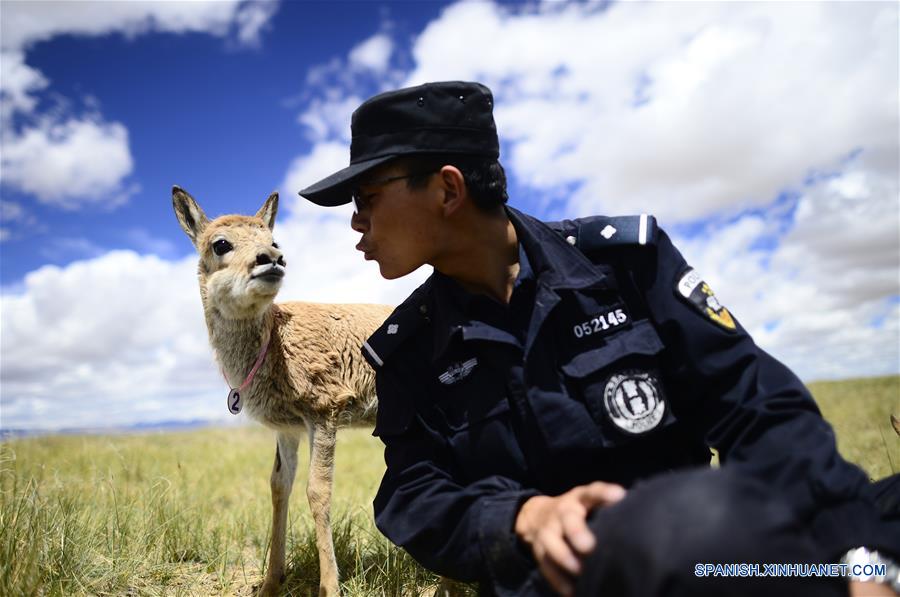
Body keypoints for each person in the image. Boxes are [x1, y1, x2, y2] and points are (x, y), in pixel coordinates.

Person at [299, 81, 899, 597]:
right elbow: (413, 491)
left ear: (448, 191)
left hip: (708, 549)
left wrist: (856, 555)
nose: (356, 222)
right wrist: (521, 519)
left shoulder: (625, 267)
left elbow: (757, 407)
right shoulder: (408, 348)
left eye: (368, 199)